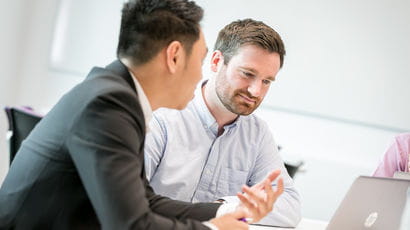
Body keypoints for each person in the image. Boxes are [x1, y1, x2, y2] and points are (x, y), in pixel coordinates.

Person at [0, 1, 283, 229]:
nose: (200, 75)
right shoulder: (109, 106)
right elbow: (131, 224)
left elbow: (145, 201)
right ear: (174, 57)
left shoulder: (114, 94)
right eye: (199, 60)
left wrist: (227, 210)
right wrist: (214, 229)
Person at [144, 19, 301, 227]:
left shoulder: (257, 134)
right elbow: (130, 199)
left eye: (266, 81)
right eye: (247, 74)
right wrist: (227, 210)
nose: (256, 91)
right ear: (217, 61)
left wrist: (225, 206)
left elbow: (289, 206)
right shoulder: (163, 116)